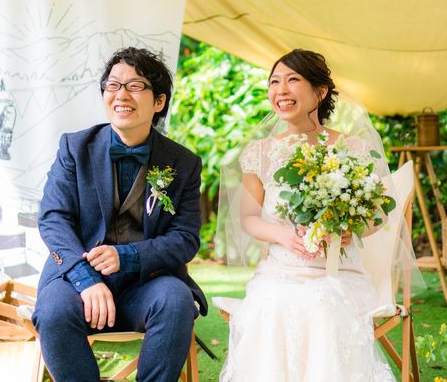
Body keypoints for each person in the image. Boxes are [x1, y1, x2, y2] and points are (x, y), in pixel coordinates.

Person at [219, 49, 404, 382]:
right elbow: (249, 218)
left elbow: (379, 212)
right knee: (272, 303)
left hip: (337, 273)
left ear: (320, 92)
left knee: (323, 305)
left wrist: (350, 230)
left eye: (293, 80)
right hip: (280, 271)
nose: (281, 90)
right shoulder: (259, 153)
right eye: (274, 82)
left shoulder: (353, 150)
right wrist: (283, 235)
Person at [33, 47, 207, 382]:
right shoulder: (74, 147)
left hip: (148, 284)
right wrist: (86, 279)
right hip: (76, 281)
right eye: (113, 85)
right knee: (53, 312)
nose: (121, 95)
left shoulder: (184, 163)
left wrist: (126, 256)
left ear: (159, 102)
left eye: (135, 86)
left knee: (176, 302)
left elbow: (185, 239)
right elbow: (53, 219)